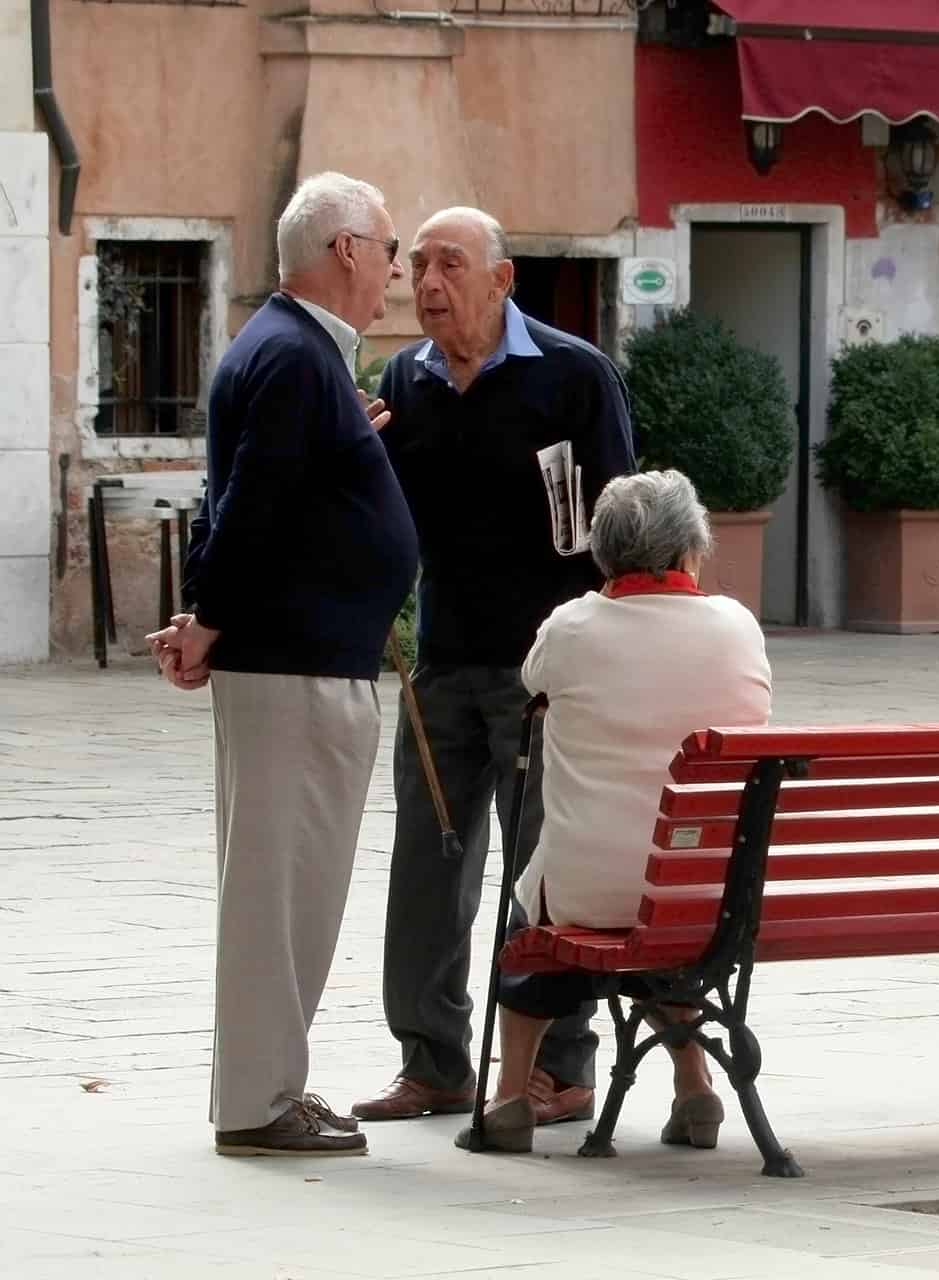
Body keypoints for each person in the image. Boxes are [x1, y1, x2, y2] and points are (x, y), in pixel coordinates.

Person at [146, 172, 415, 1156]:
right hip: (295, 663)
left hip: (308, 656)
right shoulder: (297, 357)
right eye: (389, 248)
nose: (395, 268)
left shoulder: (295, 357)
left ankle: (272, 1086)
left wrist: (350, 438)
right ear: (346, 249)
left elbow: (256, 491)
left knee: (292, 888)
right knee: (278, 891)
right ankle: (259, 1102)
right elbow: (251, 506)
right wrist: (209, 618)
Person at [352, 207, 635, 1127]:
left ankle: (561, 1067)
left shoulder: (575, 376)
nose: (428, 285)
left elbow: (620, 532)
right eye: (419, 267)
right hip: (442, 662)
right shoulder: (407, 378)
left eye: (450, 266)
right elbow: (387, 512)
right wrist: (356, 450)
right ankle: (433, 1061)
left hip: (545, 674)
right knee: (429, 865)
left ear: (501, 280)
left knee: (543, 870)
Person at [456, 470, 772, 1152]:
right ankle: (695, 1086)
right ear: (693, 549)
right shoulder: (738, 627)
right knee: (666, 910)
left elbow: (533, 683)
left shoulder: (570, 629)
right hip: (712, 888)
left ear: (603, 553)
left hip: (589, 887)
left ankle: (511, 1096)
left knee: (536, 912)